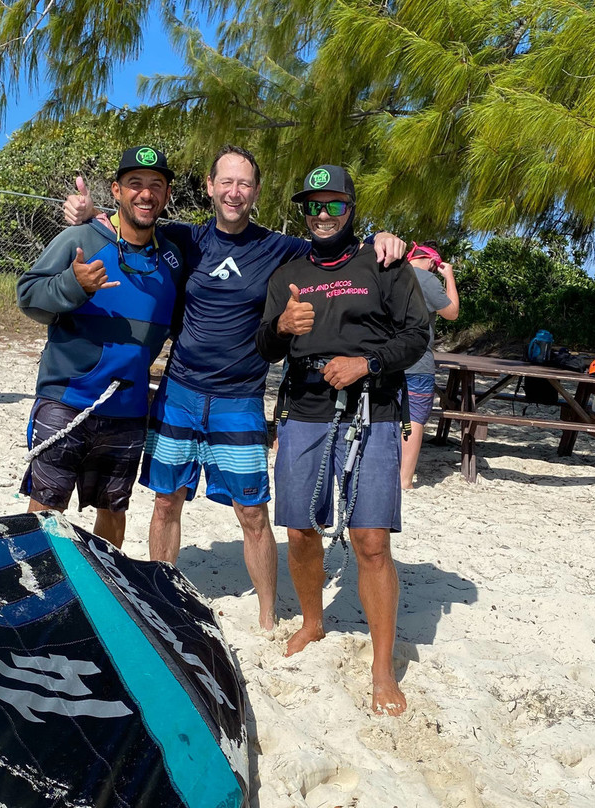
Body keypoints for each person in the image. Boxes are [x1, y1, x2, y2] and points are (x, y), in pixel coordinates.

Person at [63, 146, 406, 630]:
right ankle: (162, 591)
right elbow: (131, 226)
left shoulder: (279, 247)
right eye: (226, 181)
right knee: (165, 502)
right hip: (179, 390)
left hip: (240, 398)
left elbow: (335, 244)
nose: (234, 191)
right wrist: (87, 216)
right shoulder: (183, 238)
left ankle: (267, 614)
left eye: (244, 183)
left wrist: (382, 238)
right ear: (209, 186)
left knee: (252, 512)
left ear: (256, 192)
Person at [255, 165, 429, 716]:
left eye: (334, 204)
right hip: (303, 411)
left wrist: (366, 363)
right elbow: (264, 348)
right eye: (314, 205)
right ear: (302, 212)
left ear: (352, 207)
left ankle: (382, 665)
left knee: (371, 540)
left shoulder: (384, 263)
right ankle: (313, 621)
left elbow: (417, 336)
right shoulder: (287, 274)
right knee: (301, 530)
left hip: (373, 411)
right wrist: (282, 328)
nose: (323, 214)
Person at [16, 146, 183, 548]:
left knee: (113, 509)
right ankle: (36, 583)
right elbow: (28, 295)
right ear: (117, 190)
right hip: (67, 398)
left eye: (156, 186)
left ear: (167, 195)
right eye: (135, 184)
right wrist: (73, 285)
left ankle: (104, 585)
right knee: (46, 506)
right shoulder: (80, 239)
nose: (146, 194)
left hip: (128, 410)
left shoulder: (175, 257)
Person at [400, 242, 460, 489]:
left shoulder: (389, 274)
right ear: (431, 261)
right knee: (414, 418)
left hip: (385, 359)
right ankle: (404, 480)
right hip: (416, 361)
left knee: (386, 416)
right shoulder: (426, 279)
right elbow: (452, 312)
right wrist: (449, 277)